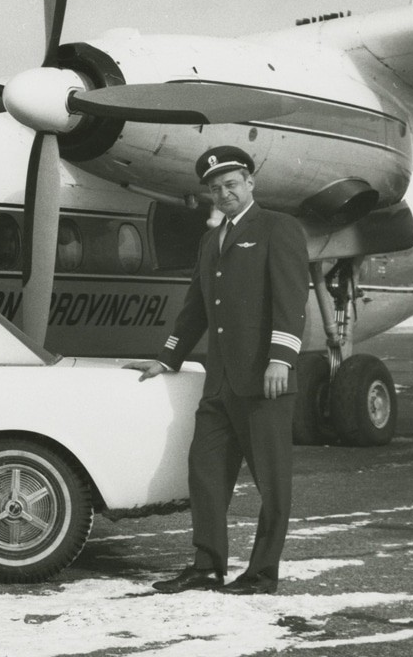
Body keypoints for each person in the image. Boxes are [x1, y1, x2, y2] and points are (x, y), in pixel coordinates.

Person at [125, 145, 309, 596]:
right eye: (214, 189)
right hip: (221, 383)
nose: (223, 193)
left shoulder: (277, 228)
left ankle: (263, 573)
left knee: (272, 484)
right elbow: (196, 310)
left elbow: (291, 299)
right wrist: (167, 356)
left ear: (250, 182)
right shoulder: (211, 241)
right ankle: (207, 566)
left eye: (231, 184)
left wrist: (281, 359)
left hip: (264, 379)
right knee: (205, 474)